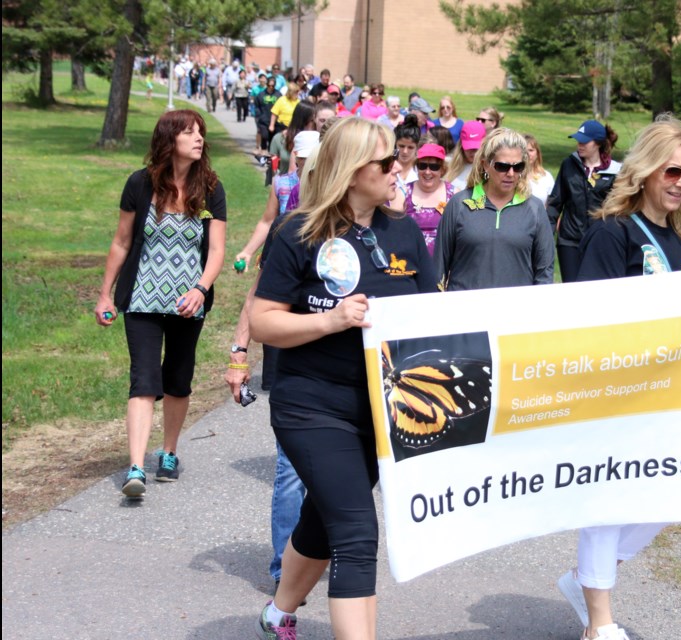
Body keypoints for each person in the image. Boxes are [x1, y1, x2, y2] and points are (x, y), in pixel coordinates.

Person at [249, 117, 436, 640]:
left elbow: (433, 315)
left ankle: (279, 612)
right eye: (385, 162)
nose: (398, 167)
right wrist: (329, 320)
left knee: (324, 518)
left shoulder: (402, 230)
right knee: (356, 531)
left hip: (384, 410)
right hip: (312, 406)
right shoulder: (299, 231)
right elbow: (264, 321)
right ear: (354, 173)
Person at [558, 114, 681, 640]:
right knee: (608, 500)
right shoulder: (611, 233)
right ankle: (600, 622)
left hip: (670, 397)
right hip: (616, 395)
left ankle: (587, 580)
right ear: (645, 172)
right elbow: (588, 322)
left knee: (669, 496)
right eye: (672, 172)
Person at [94, 110, 227, 498]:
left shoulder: (211, 187)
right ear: (170, 140)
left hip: (189, 300)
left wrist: (200, 289)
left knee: (179, 377)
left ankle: (168, 452)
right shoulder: (140, 183)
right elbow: (121, 241)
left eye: (201, 132)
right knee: (144, 378)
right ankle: (136, 466)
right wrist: (106, 293)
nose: (199, 138)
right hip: (142, 298)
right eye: (190, 132)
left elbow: (217, 250)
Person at [227, 131, 321, 597]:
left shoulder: (364, 230)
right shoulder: (289, 227)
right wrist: (239, 354)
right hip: (290, 368)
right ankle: (285, 569)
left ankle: (321, 560)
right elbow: (256, 296)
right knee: (290, 470)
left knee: (333, 477)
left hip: (343, 376)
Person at [434, 127, 554, 291]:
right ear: (485, 165)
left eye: (518, 166)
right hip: (464, 311)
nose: (510, 173)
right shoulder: (459, 204)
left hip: (517, 312)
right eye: (502, 166)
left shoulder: (534, 209)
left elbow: (544, 272)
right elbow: (439, 268)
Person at [547, 119, 621, 283]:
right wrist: (546, 234)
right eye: (578, 140)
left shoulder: (615, 171)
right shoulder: (568, 165)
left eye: (585, 142)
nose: (579, 144)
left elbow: (619, 209)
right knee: (572, 289)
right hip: (569, 241)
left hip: (599, 241)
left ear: (598, 143)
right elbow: (555, 202)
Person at [402, 143, 455, 256]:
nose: (427, 171)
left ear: (442, 169)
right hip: (411, 261)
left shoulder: (454, 195)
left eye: (434, 167)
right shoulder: (403, 193)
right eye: (422, 166)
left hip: (443, 263)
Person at [270, 102, 316, 176]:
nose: (315, 124)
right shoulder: (279, 139)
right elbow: (272, 170)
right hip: (286, 185)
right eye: (312, 120)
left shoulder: (317, 141)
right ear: (302, 120)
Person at [388, 116, 420, 208]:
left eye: (410, 147)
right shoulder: (387, 168)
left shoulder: (421, 169)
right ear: (395, 144)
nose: (405, 151)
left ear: (417, 147)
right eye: (401, 146)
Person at [445, 120, 486, 192]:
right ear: (461, 145)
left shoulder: (489, 171)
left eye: (476, 148)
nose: (473, 152)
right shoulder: (449, 166)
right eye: (469, 147)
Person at [523, 133, 555, 205]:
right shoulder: (512, 175)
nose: (528, 154)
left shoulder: (546, 177)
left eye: (531, 150)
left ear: (537, 153)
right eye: (524, 150)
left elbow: (552, 208)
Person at [254, 76, 280, 161]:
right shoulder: (261, 95)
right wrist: (259, 116)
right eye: (269, 85)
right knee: (264, 136)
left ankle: (270, 156)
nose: (271, 87)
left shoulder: (278, 95)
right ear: (267, 84)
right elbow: (257, 106)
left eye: (273, 86)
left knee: (272, 139)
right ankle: (263, 151)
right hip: (263, 120)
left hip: (275, 121)